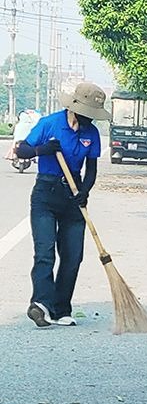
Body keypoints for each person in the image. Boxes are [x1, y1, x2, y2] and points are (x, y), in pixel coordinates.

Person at [15, 82, 109, 327]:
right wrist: (41, 149)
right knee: (45, 253)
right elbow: (22, 149)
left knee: (73, 255)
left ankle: (60, 308)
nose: (89, 120)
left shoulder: (91, 133)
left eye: (93, 116)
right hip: (46, 193)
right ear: (74, 108)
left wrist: (84, 192)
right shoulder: (50, 123)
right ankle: (40, 305)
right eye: (86, 114)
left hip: (73, 193)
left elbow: (92, 169)